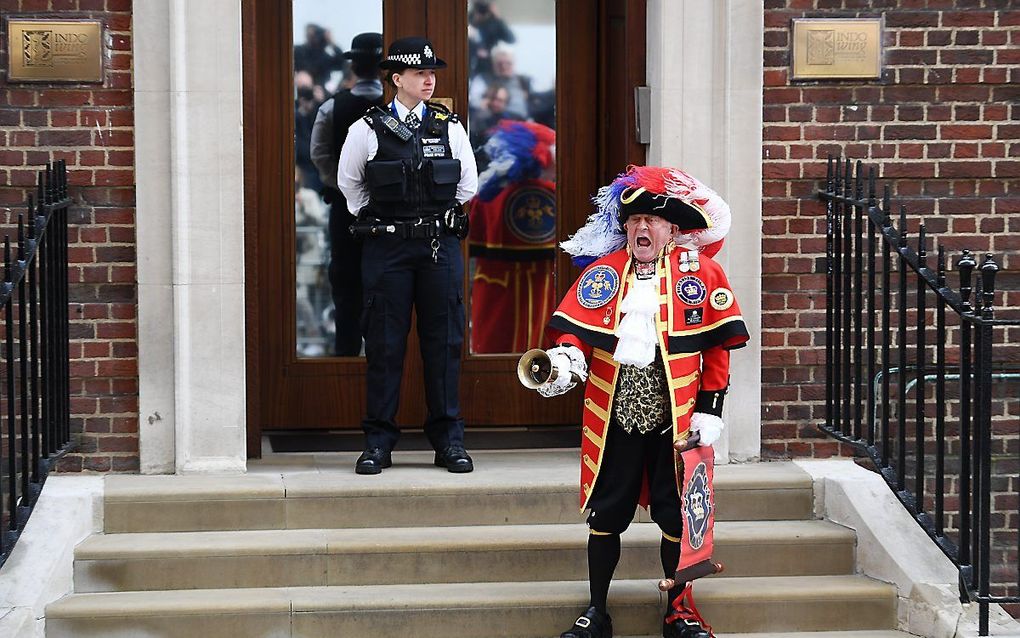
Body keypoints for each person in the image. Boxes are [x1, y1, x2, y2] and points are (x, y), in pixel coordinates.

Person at [524, 166, 749, 638]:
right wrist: (564, 358)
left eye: (652, 220)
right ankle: (596, 611)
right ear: (624, 227)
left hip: (678, 421)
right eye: (634, 220)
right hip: (616, 420)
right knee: (607, 513)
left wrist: (712, 409)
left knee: (677, 515)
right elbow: (575, 331)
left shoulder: (701, 273)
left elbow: (716, 348)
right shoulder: (604, 274)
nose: (642, 228)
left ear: (672, 229)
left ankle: (680, 612)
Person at [337, 37, 478, 475]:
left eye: (432, 73)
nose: (429, 79)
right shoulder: (366, 128)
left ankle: (449, 441)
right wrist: (387, 222)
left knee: (445, 343)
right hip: (388, 248)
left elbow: (467, 185)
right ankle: (378, 442)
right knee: (384, 343)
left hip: (438, 247)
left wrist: (431, 219)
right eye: (420, 73)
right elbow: (350, 186)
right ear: (397, 79)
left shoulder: (449, 126)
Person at [310, 32, 385, 356]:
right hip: (389, 210)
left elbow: (319, 155)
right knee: (387, 289)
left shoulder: (332, 106)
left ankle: (346, 361)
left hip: (345, 210)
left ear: (353, 65)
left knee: (347, 289)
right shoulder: (395, 107)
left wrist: (345, 187)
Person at [468, 121, 556, 353]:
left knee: (494, 342)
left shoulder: (486, 196)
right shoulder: (554, 194)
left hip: (495, 284)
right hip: (540, 283)